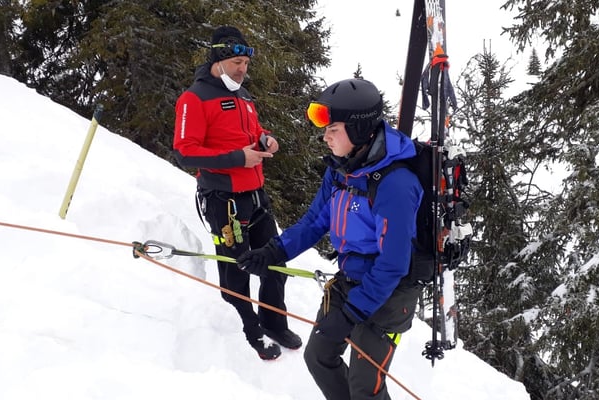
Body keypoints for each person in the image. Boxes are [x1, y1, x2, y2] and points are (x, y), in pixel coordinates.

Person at [237, 78, 423, 399]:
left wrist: (351, 314)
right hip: (350, 280)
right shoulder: (341, 170)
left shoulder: (395, 184)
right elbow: (315, 221)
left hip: (390, 293)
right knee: (318, 357)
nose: (325, 137)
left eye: (333, 129)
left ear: (359, 130)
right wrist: (273, 251)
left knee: (365, 387)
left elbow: (393, 264)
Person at [172, 26, 301, 361]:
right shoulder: (194, 98)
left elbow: (251, 131)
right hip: (223, 199)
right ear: (218, 60)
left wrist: (265, 138)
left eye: (245, 63)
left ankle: (273, 323)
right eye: (236, 63)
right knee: (236, 269)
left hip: (256, 194)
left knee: (274, 259)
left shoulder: (243, 95)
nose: (243, 69)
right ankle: (249, 330)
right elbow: (184, 152)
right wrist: (237, 159)